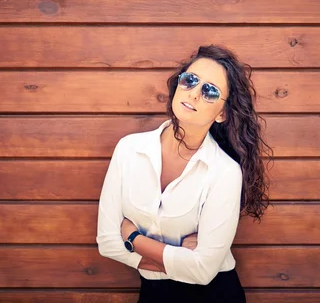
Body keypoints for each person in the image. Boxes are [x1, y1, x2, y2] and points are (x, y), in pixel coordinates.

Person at [97, 45, 273, 302]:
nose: (194, 94)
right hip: (153, 295)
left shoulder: (224, 172)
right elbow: (107, 242)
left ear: (222, 113)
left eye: (210, 91)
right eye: (190, 80)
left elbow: (203, 272)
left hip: (214, 296)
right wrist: (181, 259)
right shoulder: (129, 149)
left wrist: (134, 238)